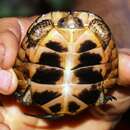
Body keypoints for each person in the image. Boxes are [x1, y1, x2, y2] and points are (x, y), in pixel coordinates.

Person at [0, 17, 130, 130]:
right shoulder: (93, 27)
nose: (71, 21)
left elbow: (28, 50)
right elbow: (107, 44)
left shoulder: (48, 27)